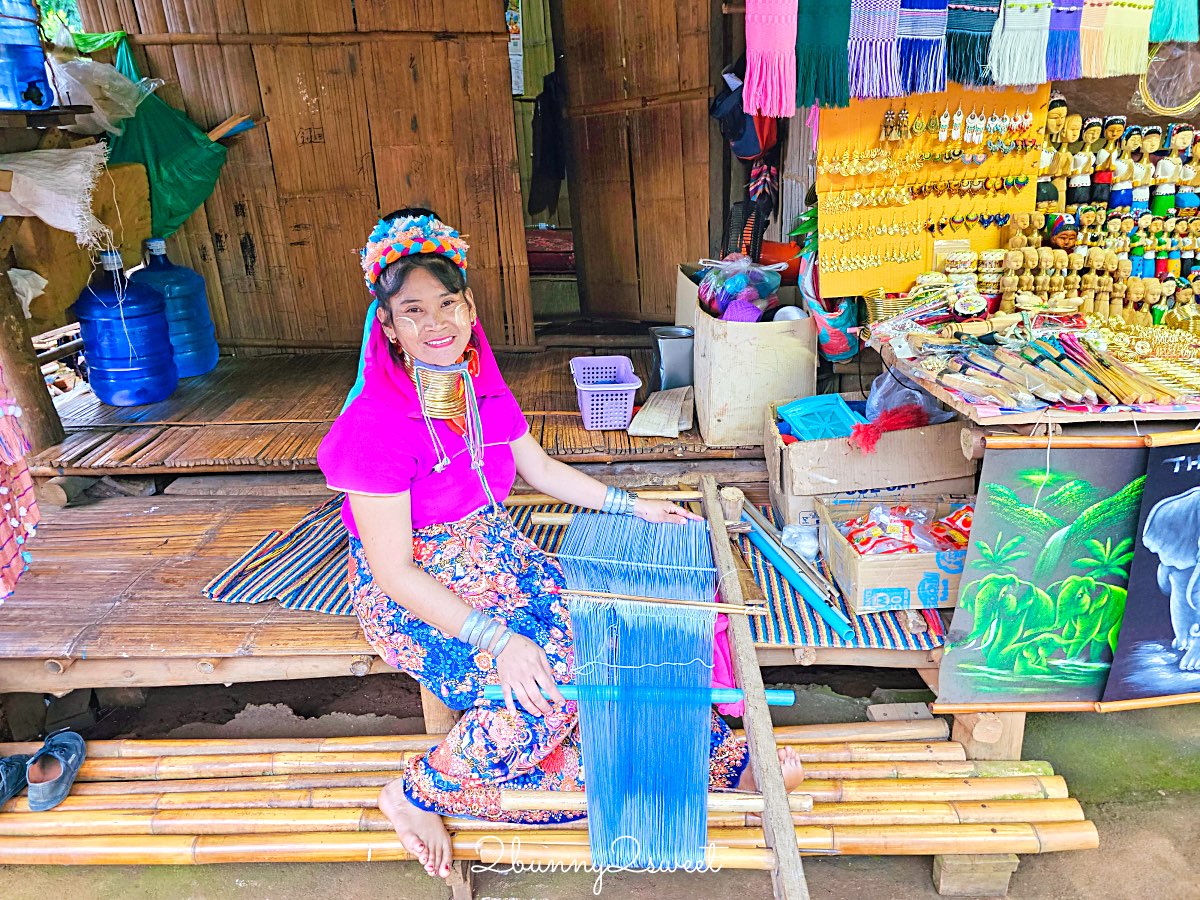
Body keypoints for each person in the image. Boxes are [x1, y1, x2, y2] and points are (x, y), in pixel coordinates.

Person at [317, 212, 803, 880]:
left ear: (471, 306)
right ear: (391, 327)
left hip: (498, 556)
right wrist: (501, 642)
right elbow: (394, 571)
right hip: (416, 591)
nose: (437, 323)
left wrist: (635, 507)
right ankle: (413, 794)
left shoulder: (476, 381)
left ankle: (714, 755)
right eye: (414, 311)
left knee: (617, 631)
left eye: (449, 304)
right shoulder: (373, 425)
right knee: (547, 694)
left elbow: (540, 469)